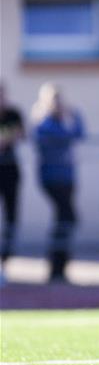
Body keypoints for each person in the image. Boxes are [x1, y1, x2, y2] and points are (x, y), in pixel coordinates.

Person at [31, 83, 85, 282]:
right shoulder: (43, 122)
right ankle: (56, 265)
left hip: (68, 177)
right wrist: (66, 122)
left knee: (65, 219)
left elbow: (80, 133)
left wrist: (73, 114)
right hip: (51, 178)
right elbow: (63, 137)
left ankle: (60, 266)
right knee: (66, 217)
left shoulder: (65, 120)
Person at [0, 82, 25, 268]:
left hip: (10, 170)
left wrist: (6, 137)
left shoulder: (13, 113)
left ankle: (6, 256)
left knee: (11, 214)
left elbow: (21, 134)